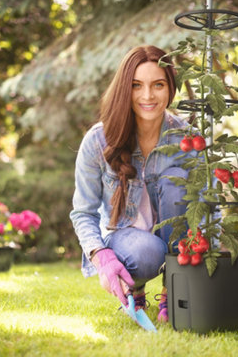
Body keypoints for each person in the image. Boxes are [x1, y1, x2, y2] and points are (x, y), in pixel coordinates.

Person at [69, 45, 191, 323]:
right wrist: (102, 259)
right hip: (125, 239)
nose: (147, 96)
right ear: (125, 88)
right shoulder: (99, 140)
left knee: (176, 184)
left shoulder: (187, 138)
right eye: (137, 85)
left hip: (176, 240)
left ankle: (172, 290)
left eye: (158, 84)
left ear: (170, 87)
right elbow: (83, 212)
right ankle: (134, 287)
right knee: (148, 252)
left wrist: (216, 252)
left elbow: (207, 204)